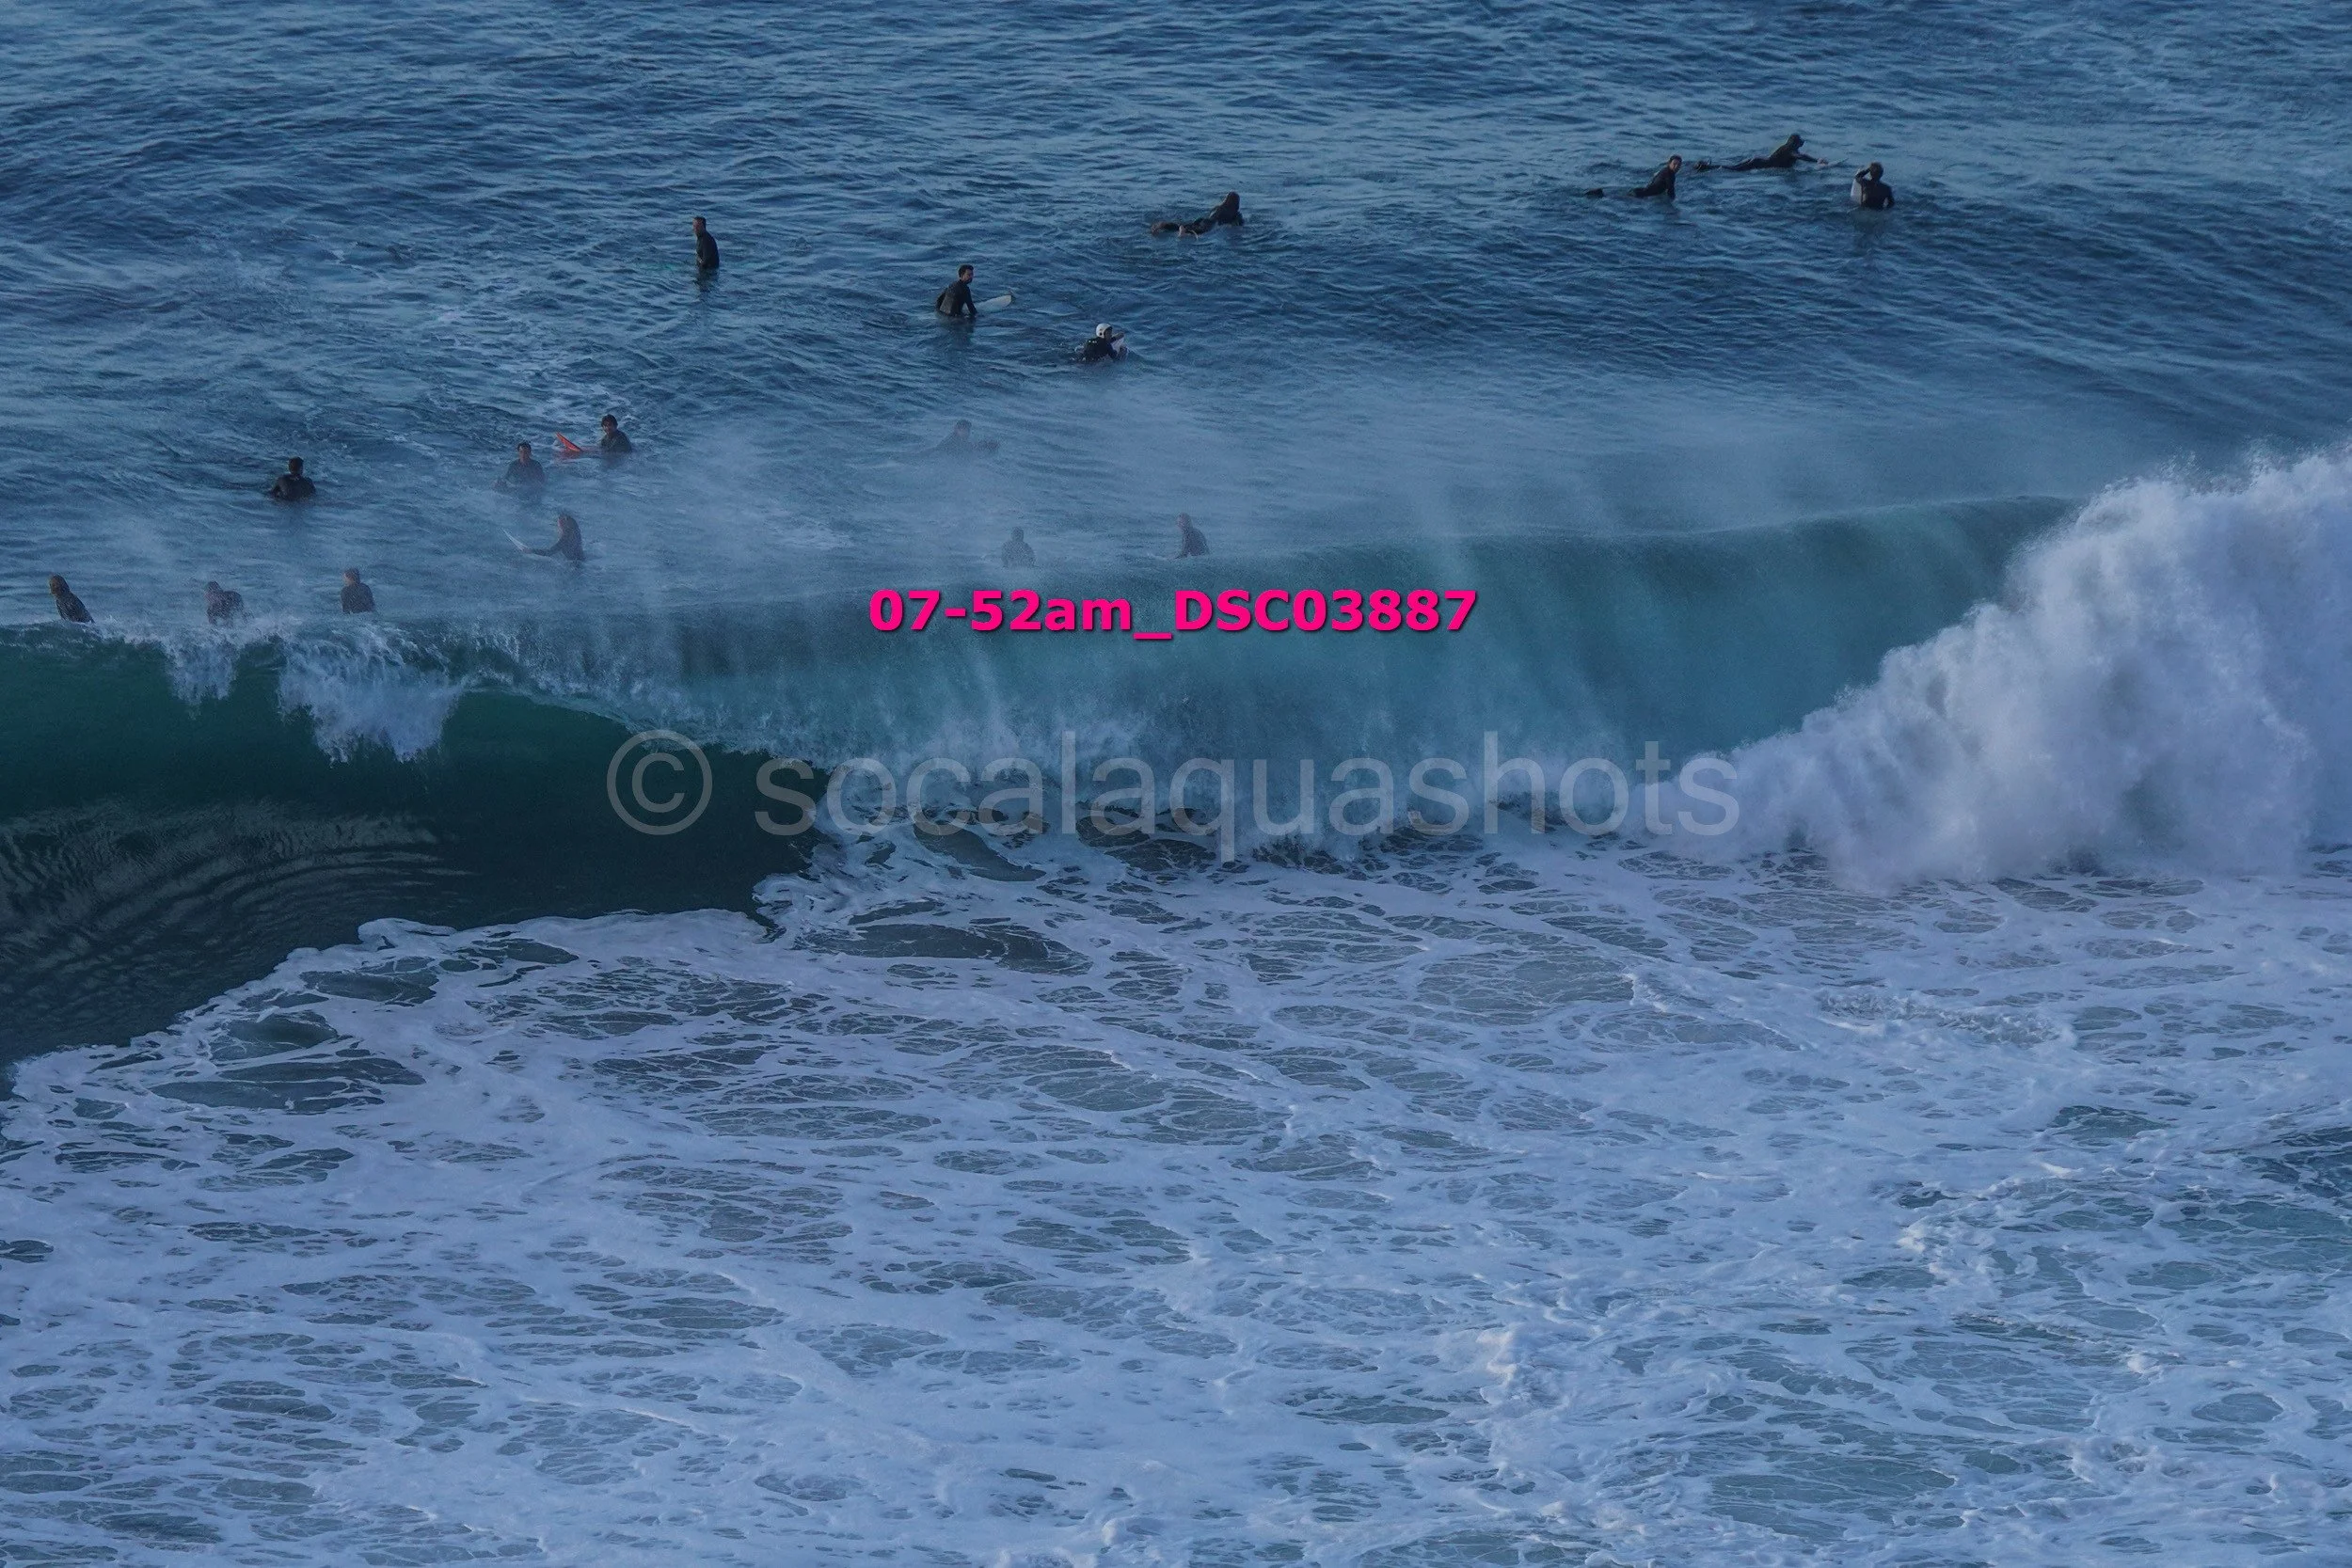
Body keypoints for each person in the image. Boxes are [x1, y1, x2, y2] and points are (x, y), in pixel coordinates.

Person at [1707, 134, 1821, 173]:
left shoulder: (1786, 147)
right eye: (1800, 141)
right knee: (1733, 170)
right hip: (1759, 164)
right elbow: (1800, 156)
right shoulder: (1791, 150)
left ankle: (1708, 167)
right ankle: (1707, 167)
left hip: (1758, 160)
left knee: (1733, 168)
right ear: (1796, 143)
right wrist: (1817, 161)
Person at [1586, 155, 1681, 200]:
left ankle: (1601, 193)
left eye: (1678, 165)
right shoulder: (1670, 174)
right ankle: (1600, 194)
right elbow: (1671, 190)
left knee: (1620, 198)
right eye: (1674, 164)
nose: (1676, 166)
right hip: (1641, 194)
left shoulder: (1664, 170)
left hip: (1640, 191)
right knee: (1618, 199)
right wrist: (1674, 203)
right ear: (1669, 163)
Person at [1152, 190, 1244, 236]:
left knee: (1189, 225)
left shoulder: (1218, 207)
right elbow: (1238, 224)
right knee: (1200, 231)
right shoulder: (1236, 214)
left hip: (1203, 219)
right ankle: (1183, 231)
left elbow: (1211, 214)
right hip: (1211, 223)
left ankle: (1163, 226)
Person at [934, 419, 998, 455]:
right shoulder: (952, 440)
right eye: (964, 430)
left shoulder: (957, 437)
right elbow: (968, 448)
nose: (967, 433)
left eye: (968, 430)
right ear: (956, 429)